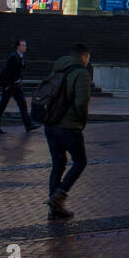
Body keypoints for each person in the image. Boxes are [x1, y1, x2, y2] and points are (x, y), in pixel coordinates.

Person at [45, 43, 93, 220]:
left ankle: (54, 207)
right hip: (69, 125)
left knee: (58, 164)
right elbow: (82, 102)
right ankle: (59, 195)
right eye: (88, 58)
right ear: (84, 57)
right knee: (80, 162)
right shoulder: (81, 73)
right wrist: (82, 121)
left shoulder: (58, 69)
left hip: (50, 124)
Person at [0, 37, 37, 134]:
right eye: (23, 45)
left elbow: (19, 70)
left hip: (17, 85)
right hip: (10, 86)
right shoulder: (13, 57)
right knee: (2, 105)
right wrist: (8, 85)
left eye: (25, 45)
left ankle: (29, 125)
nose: (25, 47)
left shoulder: (20, 56)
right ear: (18, 47)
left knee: (23, 104)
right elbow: (8, 72)